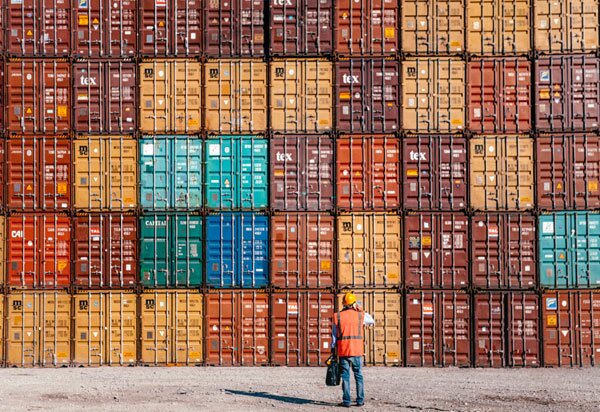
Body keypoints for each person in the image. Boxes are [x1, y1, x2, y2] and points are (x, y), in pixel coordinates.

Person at [331, 292, 375, 408]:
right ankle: (360, 400)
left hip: (343, 350)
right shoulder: (361, 315)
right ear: (354, 303)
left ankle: (346, 401)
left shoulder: (337, 316)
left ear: (344, 304)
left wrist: (333, 349)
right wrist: (361, 309)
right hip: (357, 350)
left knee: (345, 376)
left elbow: (334, 336)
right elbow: (371, 321)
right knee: (358, 375)